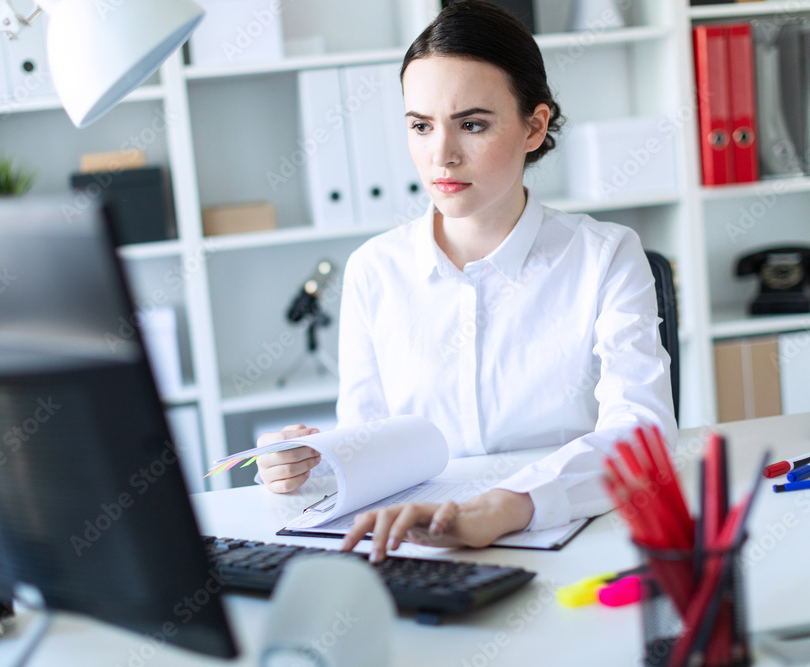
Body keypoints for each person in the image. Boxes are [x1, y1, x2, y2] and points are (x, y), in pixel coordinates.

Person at [256, 0, 676, 562]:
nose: (442, 155)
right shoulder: (373, 270)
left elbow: (642, 438)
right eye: (421, 126)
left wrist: (508, 506)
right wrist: (309, 465)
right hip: (418, 547)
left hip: (571, 537)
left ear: (534, 126)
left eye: (472, 124)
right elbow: (369, 445)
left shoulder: (606, 256)